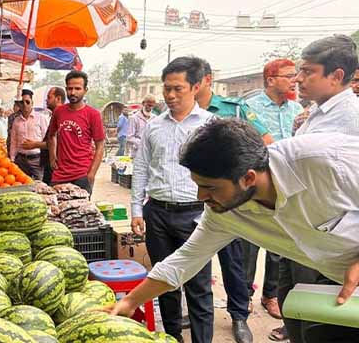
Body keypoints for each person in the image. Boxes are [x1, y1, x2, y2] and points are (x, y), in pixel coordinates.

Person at [107, 118, 359, 343]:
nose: (200, 196)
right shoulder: (223, 212)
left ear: (248, 178)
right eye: (197, 185)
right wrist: (130, 302)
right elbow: (184, 261)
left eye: (210, 187)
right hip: (337, 282)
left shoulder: (329, 161)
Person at [277, 34, 359, 343]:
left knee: (318, 330)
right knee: (295, 319)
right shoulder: (317, 113)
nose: (298, 79)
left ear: (336, 76)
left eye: (308, 71)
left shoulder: (352, 119)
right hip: (301, 240)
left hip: (334, 249)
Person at [131, 57, 214, 343]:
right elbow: (141, 167)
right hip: (157, 214)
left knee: (199, 287)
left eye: (178, 88)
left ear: (195, 87)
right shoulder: (154, 126)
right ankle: (173, 338)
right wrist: (135, 209)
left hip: (196, 216)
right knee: (163, 283)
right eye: (167, 88)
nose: (170, 95)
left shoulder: (209, 125)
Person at [196, 58, 256, 342]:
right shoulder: (174, 114)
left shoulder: (233, 109)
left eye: (194, 83)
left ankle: (239, 315)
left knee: (233, 263)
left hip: (232, 199)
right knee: (196, 262)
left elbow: (262, 144)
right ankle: (198, 312)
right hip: (199, 201)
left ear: (207, 80)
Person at [242, 58, 304, 321]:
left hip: (288, 185)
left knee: (278, 248)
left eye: (296, 75)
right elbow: (264, 145)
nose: (295, 79)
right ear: (270, 80)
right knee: (249, 244)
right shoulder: (249, 107)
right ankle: (242, 295)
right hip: (258, 186)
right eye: (289, 75)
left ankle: (270, 295)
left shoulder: (297, 109)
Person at [48, 71, 105, 196]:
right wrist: (52, 158)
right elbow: (51, 135)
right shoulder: (59, 111)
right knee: (55, 211)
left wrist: (91, 174)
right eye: (69, 88)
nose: (73, 92)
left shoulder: (93, 114)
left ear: (85, 90)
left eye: (77, 88)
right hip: (60, 174)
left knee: (81, 213)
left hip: (82, 175)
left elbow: (100, 146)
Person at [21, 86, 66, 185]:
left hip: (55, 165)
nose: (46, 100)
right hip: (48, 164)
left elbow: (57, 142)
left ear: (58, 99)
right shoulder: (54, 116)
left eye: (49, 97)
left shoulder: (61, 117)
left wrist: (35, 144)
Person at [9, 89, 49, 180]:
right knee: (22, 185)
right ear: (19, 105)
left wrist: (35, 145)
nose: (25, 105)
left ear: (32, 103)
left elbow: (46, 139)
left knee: (40, 186)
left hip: (37, 160)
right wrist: (12, 159)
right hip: (21, 160)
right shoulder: (16, 121)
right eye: (22, 103)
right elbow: (13, 141)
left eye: (27, 102)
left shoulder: (41, 118)